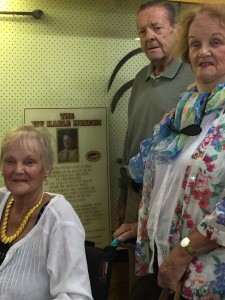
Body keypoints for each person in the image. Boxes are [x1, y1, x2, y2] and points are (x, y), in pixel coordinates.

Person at [116, 3, 225, 299]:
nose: (203, 52)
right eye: (195, 44)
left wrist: (182, 253)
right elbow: (159, 172)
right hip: (162, 263)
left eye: (216, 42)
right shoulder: (183, 109)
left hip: (205, 274)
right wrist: (145, 224)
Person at [115, 0, 194, 294]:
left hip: (173, 201)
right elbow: (132, 139)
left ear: (176, 30)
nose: (149, 37)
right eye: (142, 31)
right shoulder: (140, 79)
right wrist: (123, 196)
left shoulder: (196, 80)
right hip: (138, 197)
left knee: (170, 279)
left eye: (157, 28)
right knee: (140, 283)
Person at [0, 125, 93, 300]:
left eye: (29, 162)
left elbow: (76, 297)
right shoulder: (2, 200)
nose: (18, 170)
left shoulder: (61, 219)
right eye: (10, 161)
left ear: (47, 168)